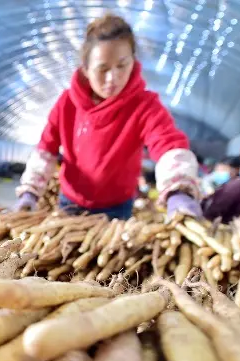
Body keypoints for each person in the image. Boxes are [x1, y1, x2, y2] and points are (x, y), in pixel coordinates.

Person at [16, 14, 201, 219]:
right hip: (70, 204)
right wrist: (29, 191)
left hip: (117, 209)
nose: (113, 78)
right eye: (102, 69)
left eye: (122, 65)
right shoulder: (67, 103)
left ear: (133, 61)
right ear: (86, 69)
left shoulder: (144, 106)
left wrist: (178, 190)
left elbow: (167, 144)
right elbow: (46, 150)